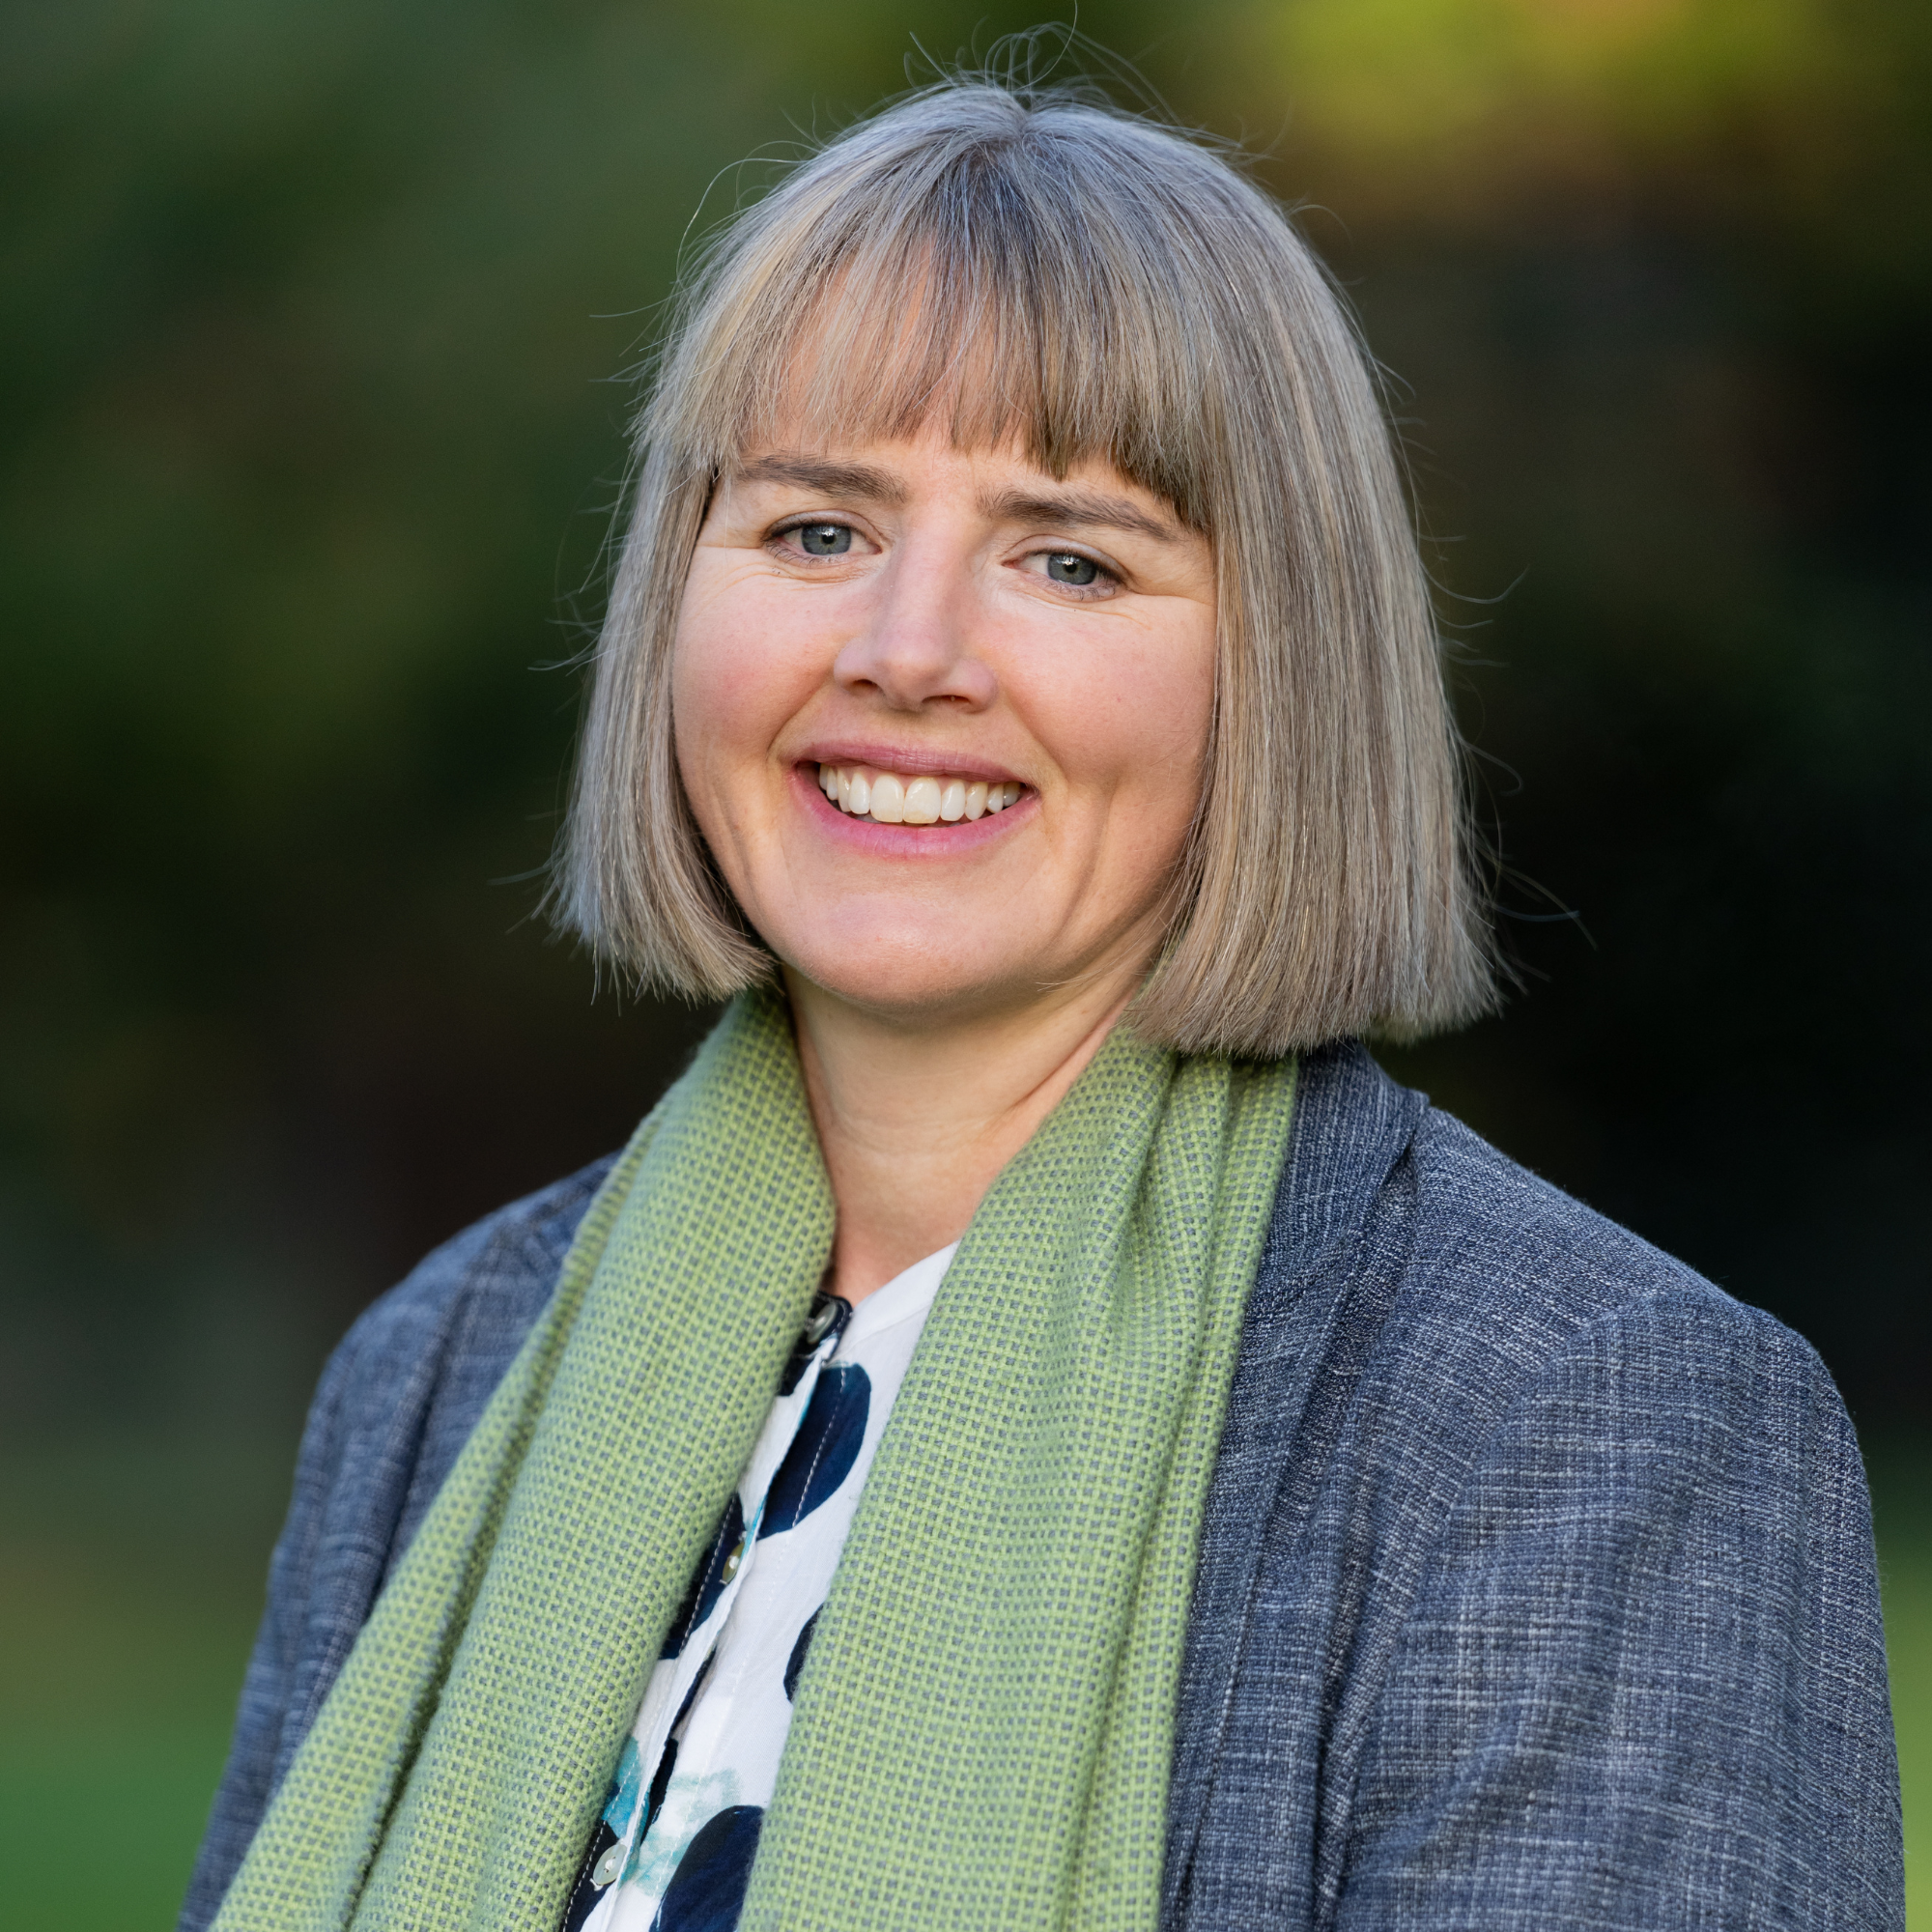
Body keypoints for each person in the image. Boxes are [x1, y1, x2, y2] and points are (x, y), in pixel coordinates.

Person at [181, 72, 1903, 1932]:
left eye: (1068, 556)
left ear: (1280, 673)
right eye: (816, 531)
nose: (905, 651)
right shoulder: (441, 1372)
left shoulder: (1586, 1426)